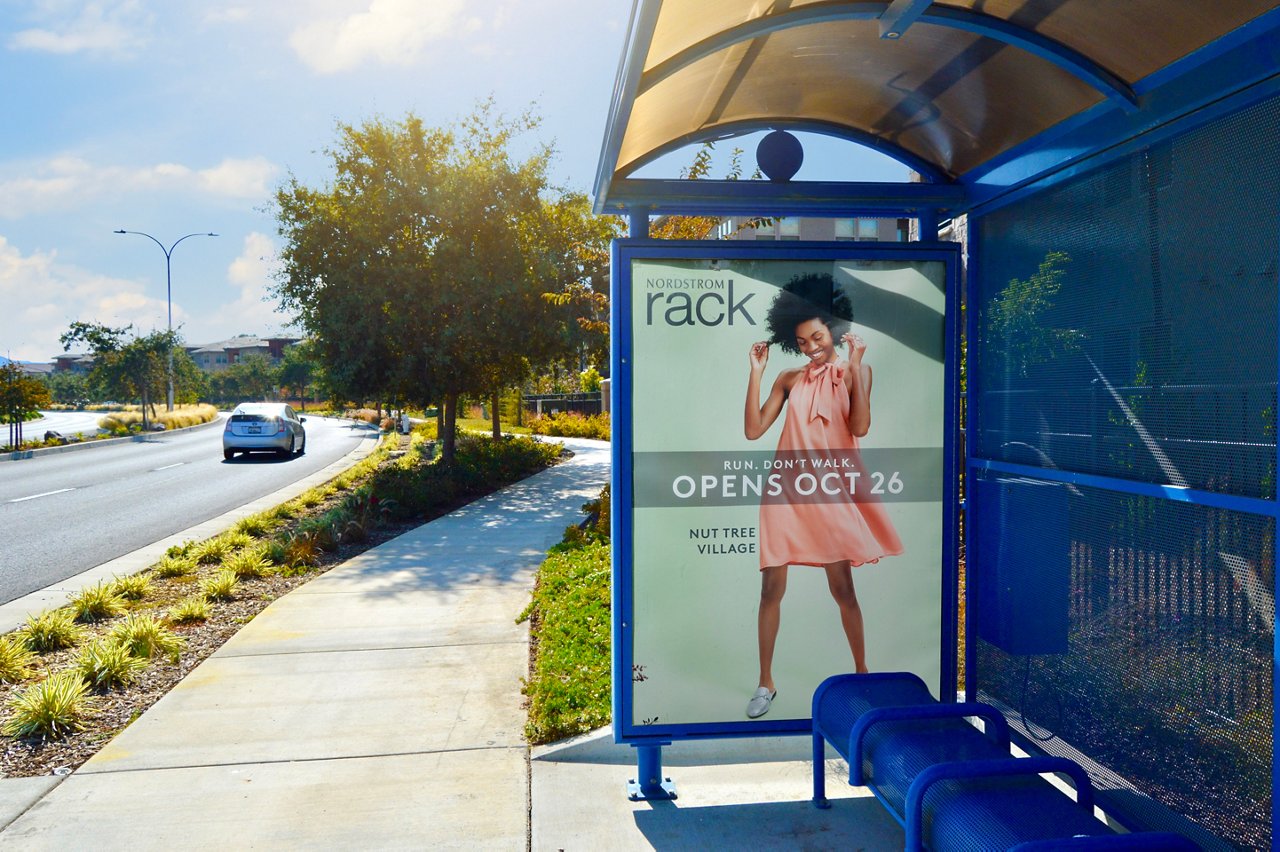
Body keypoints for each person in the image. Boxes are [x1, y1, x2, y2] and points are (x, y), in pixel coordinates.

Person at [742, 273, 903, 719]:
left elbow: (860, 428)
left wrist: (854, 367)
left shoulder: (857, 371)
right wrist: (756, 374)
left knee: (842, 588)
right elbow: (755, 430)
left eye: (817, 336)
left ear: (832, 329)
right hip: (785, 490)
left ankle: (862, 674)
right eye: (802, 340)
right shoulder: (789, 378)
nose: (811, 346)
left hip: (829, 491)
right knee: (771, 587)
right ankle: (765, 682)